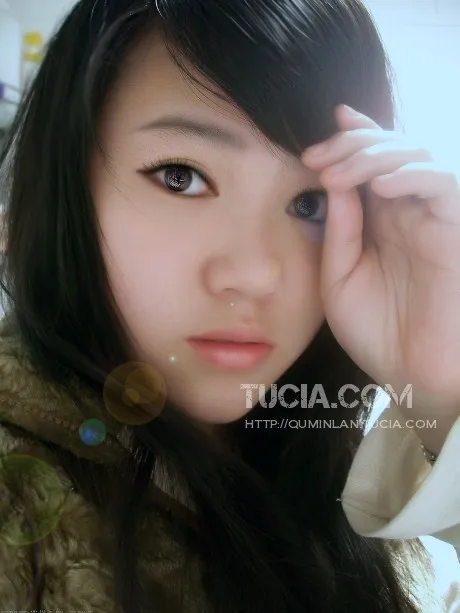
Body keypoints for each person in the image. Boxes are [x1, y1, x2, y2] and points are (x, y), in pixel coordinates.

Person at [0, 0, 459, 611]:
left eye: (311, 204)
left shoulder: (335, 460)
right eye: (181, 176)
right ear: (67, 188)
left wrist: (438, 394)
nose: (256, 275)